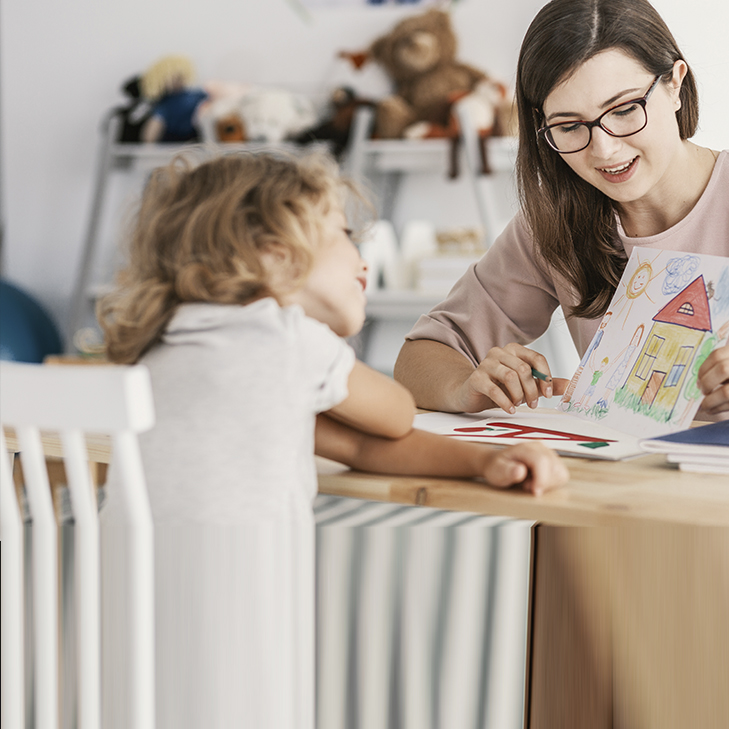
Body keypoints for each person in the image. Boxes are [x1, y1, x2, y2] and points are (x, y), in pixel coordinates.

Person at [97, 149, 568, 729]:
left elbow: (356, 447)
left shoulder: (165, 345)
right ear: (274, 255)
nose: (360, 255)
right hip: (238, 610)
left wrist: (481, 462)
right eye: (344, 234)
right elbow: (394, 416)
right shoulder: (286, 338)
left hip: (131, 611)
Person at [394, 0, 729, 421]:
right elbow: (421, 356)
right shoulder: (555, 225)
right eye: (570, 126)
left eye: (625, 110)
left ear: (675, 84)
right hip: (620, 479)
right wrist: (466, 386)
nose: (605, 150)